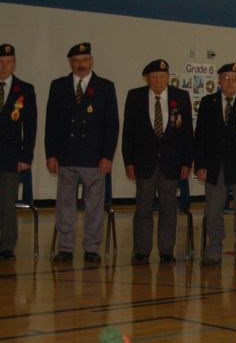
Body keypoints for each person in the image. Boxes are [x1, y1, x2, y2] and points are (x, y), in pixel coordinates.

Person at [46, 42, 119, 264]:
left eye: (84, 60)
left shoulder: (105, 87)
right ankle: (66, 248)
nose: (80, 64)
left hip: (94, 159)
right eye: (76, 61)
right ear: (70, 62)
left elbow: (112, 124)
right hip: (66, 157)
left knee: (94, 207)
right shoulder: (59, 86)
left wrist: (108, 156)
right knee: (65, 205)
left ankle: (91, 248)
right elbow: (52, 123)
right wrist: (51, 154)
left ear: (91, 61)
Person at [122, 59, 193, 265]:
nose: (158, 81)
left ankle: (166, 251)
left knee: (168, 209)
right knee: (143, 208)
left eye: (162, 77)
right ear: (147, 79)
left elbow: (188, 133)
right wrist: (129, 162)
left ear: (168, 77)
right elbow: (128, 133)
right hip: (144, 163)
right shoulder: (135, 97)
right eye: (153, 77)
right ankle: (142, 251)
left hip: (171, 164)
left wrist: (187, 162)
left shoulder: (181, 97)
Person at [193, 62, 236, 267]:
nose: (230, 82)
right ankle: (214, 247)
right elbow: (200, 138)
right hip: (215, 168)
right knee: (213, 210)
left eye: (234, 79)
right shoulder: (208, 102)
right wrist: (201, 165)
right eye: (225, 78)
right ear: (219, 81)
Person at [0, 43, 36, 262]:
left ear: (14, 64)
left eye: (8, 62)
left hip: (11, 158)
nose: (4, 66)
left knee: (7, 204)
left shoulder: (24, 89)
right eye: (0, 63)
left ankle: (6, 246)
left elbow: (30, 126)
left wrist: (26, 157)